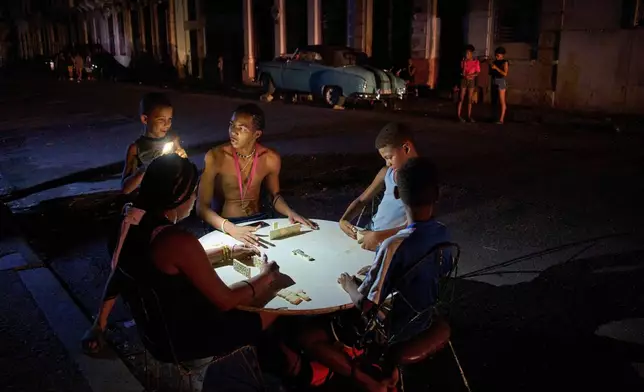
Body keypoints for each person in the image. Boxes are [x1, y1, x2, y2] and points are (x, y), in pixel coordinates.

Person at [82, 154, 282, 356]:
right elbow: (226, 300)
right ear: (179, 198)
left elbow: (121, 273)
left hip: (152, 332)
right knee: (276, 302)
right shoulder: (175, 241)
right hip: (185, 340)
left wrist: (99, 324)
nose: (195, 198)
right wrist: (266, 276)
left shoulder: (127, 224)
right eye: (194, 193)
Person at [297, 157, 452, 392]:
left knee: (307, 336)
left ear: (397, 195)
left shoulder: (394, 245)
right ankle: (392, 373)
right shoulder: (443, 233)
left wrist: (349, 284)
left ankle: (367, 380)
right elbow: (440, 269)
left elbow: (366, 306)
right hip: (427, 315)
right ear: (437, 194)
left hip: (394, 329)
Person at [197, 103, 317, 246]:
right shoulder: (216, 157)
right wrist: (231, 229)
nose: (233, 132)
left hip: (258, 220)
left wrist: (291, 212)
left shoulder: (270, 159)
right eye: (232, 125)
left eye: (241, 128)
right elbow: (201, 208)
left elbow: (274, 196)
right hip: (227, 224)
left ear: (257, 134)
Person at [339, 122, 418, 251]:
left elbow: (415, 226)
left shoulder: (421, 179)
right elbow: (362, 200)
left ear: (406, 148)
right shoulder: (387, 172)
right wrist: (344, 220)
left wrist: (378, 237)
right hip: (371, 233)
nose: (388, 163)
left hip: (392, 243)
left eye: (389, 157)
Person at [121, 92, 187, 195]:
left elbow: (185, 174)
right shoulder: (136, 149)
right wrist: (146, 169)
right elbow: (126, 189)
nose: (167, 124)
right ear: (145, 119)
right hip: (149, 199)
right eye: (161, 120)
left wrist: (183, 159)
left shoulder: (173, 141)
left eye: (170, 119)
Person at [457, 44, 480, 123]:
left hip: (471, 81)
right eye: (466, 53)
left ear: (471, 53)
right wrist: (464, 64)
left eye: (468, 53)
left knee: (469, 99)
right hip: (464, 80)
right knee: (461, 98)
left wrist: (471, 75)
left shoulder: (476, 61)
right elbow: (462, 72)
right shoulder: (463, 61)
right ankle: (459, 115)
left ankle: (469, 116)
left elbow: (477, 72)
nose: (467, 55)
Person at [490, 46, 509, 124]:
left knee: (502, 100)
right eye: (496, 55)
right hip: (494, 81)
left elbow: (505, 73)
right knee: (494, 100)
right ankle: (494, 117)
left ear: (502, 55)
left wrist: (496, 68)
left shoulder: (505, 62)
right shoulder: (494, 62)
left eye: (498, 55)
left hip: (501, 81)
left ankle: (501, 119)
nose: (497, 57)